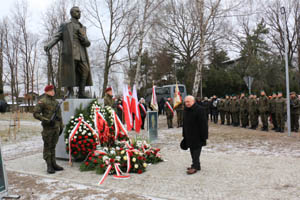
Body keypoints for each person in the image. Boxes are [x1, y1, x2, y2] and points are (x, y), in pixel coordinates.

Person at [44, 6, 93, 98]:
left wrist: (83, 39)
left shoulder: (82, 27)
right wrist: (49, 45)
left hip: (82, 54)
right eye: (77, 12)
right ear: (72, 13)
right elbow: (57, 36)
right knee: (71, 73)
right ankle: (70, 91)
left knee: (85, 71)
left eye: (80, 12)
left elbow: (87, 43)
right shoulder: (65, 25)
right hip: (71, 53)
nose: (79, 13)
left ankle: (81, 92)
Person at [33, 85, 64, 174]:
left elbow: (59, 116)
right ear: (46, 91)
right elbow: (35, 114)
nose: (52, 92)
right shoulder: (42, 101)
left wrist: (61, 126)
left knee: (53, 147)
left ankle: (54, 164)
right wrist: (46, 120)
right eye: (50, 90)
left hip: (56, 127)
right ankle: (49, 165)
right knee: (47, 147)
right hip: (48, 128)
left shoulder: (55, 102)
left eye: (53, 90)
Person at [182, 96, 208, 175]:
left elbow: (204, 124)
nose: (187, 103)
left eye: (188, 102)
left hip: (198, 135)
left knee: (196, 151)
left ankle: (195, 166)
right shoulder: (186, 110)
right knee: (191, 150)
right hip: (189, 134)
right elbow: (184, 123)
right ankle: (196, 165)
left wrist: (204, 136)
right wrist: (184, 134)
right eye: (186, 102)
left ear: (193, 101)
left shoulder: (200, 110)